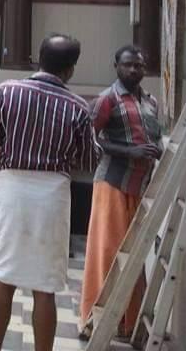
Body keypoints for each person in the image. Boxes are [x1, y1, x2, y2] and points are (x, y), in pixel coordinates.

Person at [0, 34, 100, 351]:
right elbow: (89, 159)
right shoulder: (78, 107)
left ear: (39, 58)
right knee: (44, 287)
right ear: (70, 70)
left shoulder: (6, 92)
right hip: (51, 197)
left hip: (11, 190)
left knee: (3, 279)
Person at [79, 45, 162, 340]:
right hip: (112, 183)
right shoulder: (107, 99)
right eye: (128, 65)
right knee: (107, 254)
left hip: (141, 187)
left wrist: (157, 150)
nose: (134, 71)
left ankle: (127, 323)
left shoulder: (151, 101)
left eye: (139, 66)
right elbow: (90, 140)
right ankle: (93, 321)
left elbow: (154, 138)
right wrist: (130, 150)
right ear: (116, 65)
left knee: (134, 258)